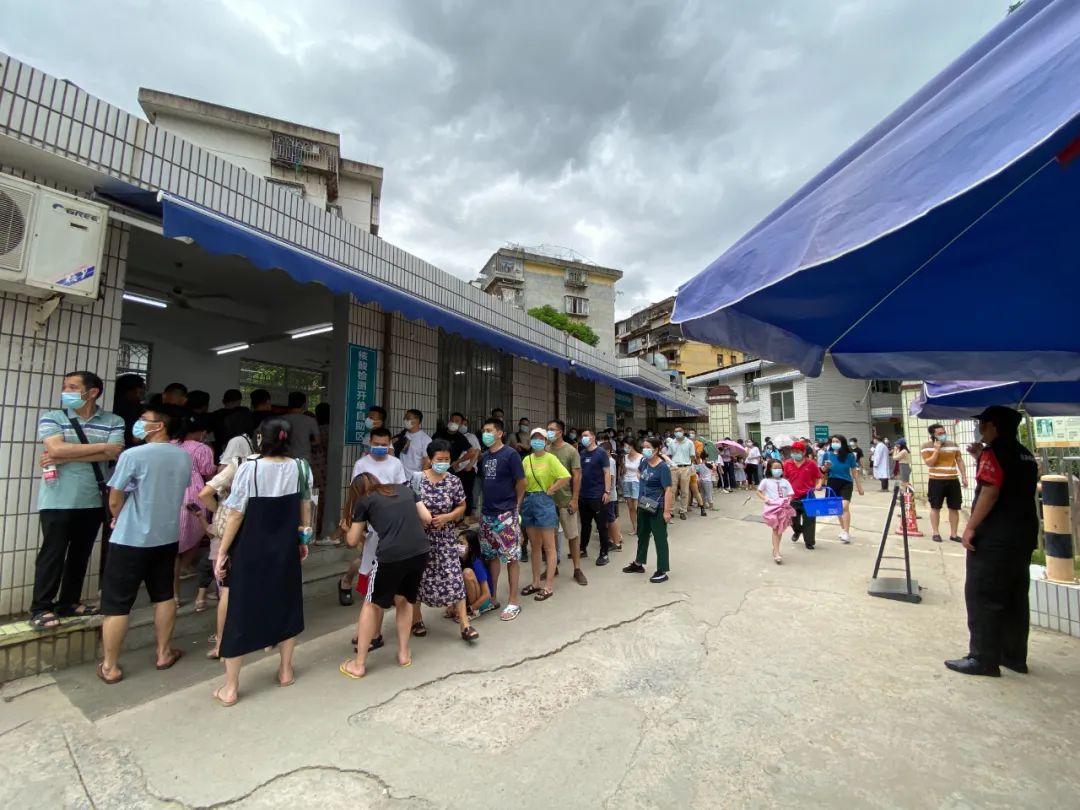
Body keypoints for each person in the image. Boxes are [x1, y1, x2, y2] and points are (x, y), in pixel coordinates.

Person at [212, 418, 313, 705]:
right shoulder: (300, 467)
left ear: (260, 440)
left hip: (250, 549)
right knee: (288, 603)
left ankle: (230, 688)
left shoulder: (250, 468)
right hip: (286, 547)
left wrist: (222, 551)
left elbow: (236, 512)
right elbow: (305, 503)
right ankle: (285, 670)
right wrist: (303, 539)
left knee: (240, 610)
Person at [97, 405, 192, 684]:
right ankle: (163, 653)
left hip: (130, 538)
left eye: (143, 420)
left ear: (159, 426)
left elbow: (115, 499)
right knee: (163, 596)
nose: (138, 423)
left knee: (117, 603)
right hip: (166, 536)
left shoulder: (133, 455)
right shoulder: (184, 457)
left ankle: (110, 666)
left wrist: (117, 518)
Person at [945, 406, 1038, 677]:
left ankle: (984, 658)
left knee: (983, 594)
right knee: (1015, 595)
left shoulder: (994, 451)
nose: (980, 429)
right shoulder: (1025, 454)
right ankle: (1014, 655)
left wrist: (970, 527)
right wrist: (979, 458)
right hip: (1022, 533)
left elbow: (991, 491)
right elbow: (1009, 483)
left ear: (994, 426)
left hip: (996, 535)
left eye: (983, 425)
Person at [31, 371, 125, 629]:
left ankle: (69, 603)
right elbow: (56, 448)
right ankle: (41, 607)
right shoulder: (53, 417)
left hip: (93, 498)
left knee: (81, 554)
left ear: (92, 392)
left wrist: (63, 456)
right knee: (53, 553)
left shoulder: (113, 420)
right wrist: (98, 449)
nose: (66, 391)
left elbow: (115, 451)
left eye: (72, 387)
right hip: (56, 498)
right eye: (65, 386)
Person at [341, 472, 432, 679]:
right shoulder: (406, 490)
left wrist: (348, 528)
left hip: (391, 556)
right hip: (420, 551)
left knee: (370, 604)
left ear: (356, 491)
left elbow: (353, 540)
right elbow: (426, 518)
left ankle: (359, 664)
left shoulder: (364, 500)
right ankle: (403, 654)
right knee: (405, 600)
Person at [413, 440, 475, 641]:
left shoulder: (453, 481)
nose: (443, 463)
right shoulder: (416, 480)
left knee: (454, 577)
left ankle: (465, 624)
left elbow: (461, 506)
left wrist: (448, 517)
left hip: (446, 537)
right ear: (430, 459)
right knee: (418, 578)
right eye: (439, 459)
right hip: (421, 539)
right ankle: (416, 619)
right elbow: (408, 505)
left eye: (447, 459)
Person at [339, 428, 408, 609]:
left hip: (389, 517)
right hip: (366, 516)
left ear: (389, 444)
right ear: (370, 442)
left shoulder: (395, 464)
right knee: (366, 557)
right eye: (376, 444)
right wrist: (353, 518)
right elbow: (355, 492)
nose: (380, 447)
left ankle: (381, 593)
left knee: (381, 556)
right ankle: (348, 580)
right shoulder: (361, 464)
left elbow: (401, 491)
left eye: (384, 445)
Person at [478, 418, 526, 621]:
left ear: (500, 433)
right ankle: (493, 598)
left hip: (506, 514)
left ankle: (513, 601)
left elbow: (521, 482)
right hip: (487, 514)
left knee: (511, 558)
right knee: (491, 557)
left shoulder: (511, 454)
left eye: (489, 430)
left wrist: (515, 506)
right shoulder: (484, 457)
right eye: (483, 431)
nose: (485, 434)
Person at [519, 428, 570, 602]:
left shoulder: (551, 458)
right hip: (529, 501)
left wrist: (552, 489)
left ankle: (548, 586)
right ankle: (535, 582)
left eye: (540, 438)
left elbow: (565, 476)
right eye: (534, 438)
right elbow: (521, 481)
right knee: (534, 546)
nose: (537, 441)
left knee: (549, 547)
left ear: (546, 441)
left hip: (544, 500)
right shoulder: (526, 459)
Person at [172, 415, 216, 603]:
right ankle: (184, 565)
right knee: (198, 530)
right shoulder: (202, 448)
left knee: (172, 540)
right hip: (193, 493)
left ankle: (173, 593)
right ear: (198, 431)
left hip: (170, 492)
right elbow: (208, 471)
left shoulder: (169, 444)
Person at [622, 438, 673, 583]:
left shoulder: (663, 467)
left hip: (658, 506)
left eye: (648, 447)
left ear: (656, 450)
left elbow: (668, 490)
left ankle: (662, 570)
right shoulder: (644, 462)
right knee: (642, 534)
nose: (644, 450)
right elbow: (639, 473)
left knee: (660, 538)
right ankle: (638, 563)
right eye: (643, 447)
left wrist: (667, 511)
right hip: (644, 503)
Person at [547, 419, 587, 586]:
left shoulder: (571, 451)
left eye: (552, 429)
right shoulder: (546, 450)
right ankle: (552, 566)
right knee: (550, 537)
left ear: (560, 432)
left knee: (572, 535)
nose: (548, 432)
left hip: (566, 500)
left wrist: (575, 499)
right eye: (547, 429)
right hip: (549, 502)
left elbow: (577, 476)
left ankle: (577, 569)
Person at [921, 423, 969, 544]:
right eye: (940, 433)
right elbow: (929, 463)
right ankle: (936, 533)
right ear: (933, 435)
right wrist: (936, 450)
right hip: (936, 480)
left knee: (954, 507)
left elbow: (959, 460)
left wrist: (964, 476)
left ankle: (954, 534)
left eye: (944, 432)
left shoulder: (953, 445)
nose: (943, 435)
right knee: (935, 507)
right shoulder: (926, 446)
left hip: (952, 479)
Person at [577, 429, 613, 565]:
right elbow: (580, 473)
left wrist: (607, 492)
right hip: (584, 495)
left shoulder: (601, 453)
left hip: (598, 495)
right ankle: (582, 549)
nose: (583, 438)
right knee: (585, 525)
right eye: (582, 436)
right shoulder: (582, 453)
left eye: (586, 435)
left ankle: (604, 553)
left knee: (601, 526)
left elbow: (606, 473)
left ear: (592, 437)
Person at [820, 434, 863, 543]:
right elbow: (823, 471)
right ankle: (844, 530)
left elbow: (854, 471)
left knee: (844, 506)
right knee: (838, 508)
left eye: (837, 441)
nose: (834, 443)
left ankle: (846, 532)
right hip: (832, 482)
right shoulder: (827, 454)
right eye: (833, 441)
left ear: (842, 443)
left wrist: (859, 487)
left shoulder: (850, 456)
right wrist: (825, 468)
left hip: (846, 483)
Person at [434, 412, 477, 515]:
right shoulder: (440, 433)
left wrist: (458, 462)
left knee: (449, 494)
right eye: (452, 420)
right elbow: (430, 448)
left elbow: (472, 452)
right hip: (435, 467)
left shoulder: (460, 437)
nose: (453, 423)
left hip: (449, 469)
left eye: (456, 421)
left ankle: (450, 517)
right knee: (435, 493)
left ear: (461, 424)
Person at [784, 441, 823, 550]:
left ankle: (809, 542)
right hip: (792, 497)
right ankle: (798, 531)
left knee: (809, 520)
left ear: (804, 452)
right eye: (793, 452)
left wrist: (819, 484)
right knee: (792, 519)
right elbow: (784, 479)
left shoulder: (811, 464)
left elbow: (819, 476)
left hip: (808, 496)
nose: (795, 454)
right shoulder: (787, 464)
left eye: (797, 452)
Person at [757, 458, 796, 564]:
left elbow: (790, 494)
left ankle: (775, 548)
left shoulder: (785, 482)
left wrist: (788, 500)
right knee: (775, 529)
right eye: (775, 468)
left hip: (783, 508)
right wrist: (765, 498)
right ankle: (777, 552)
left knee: (780, 529)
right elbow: (759, 492)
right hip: (771, 508)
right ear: (769, 469)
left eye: (779, 468)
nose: (777, 470)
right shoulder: (766, 481)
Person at [664, 426, 696, 519]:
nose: (677, 432)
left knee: (684, 490)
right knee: (672, 490)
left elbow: (692, 456)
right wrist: (671, 464)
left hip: (685, 467)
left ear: (683, 432)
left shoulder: (689, 443)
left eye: (679, 431)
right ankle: (671, 510)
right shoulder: (672, 443)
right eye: (675, 431)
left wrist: (690, 465)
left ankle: (683, 510)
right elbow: (669, 454)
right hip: (674, 467)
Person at [460, 530, 495, 616]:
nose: (458, 546)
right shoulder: (457, 560)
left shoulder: (476, 562)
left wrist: (469, 609)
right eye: (456, 542)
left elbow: (487, 594)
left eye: (461, 543)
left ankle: (474, 611)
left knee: (467, 573)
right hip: (470, 595)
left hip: (483, 601)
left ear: (470, 546)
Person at [281, 392, 320, 464]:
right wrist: (305, 443)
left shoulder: (281, 419)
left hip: (286, 459)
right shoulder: (310, 420)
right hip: (304, 460)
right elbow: (317, 441)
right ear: (304, 405)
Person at [113, 373, 146, 447]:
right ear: (135, 390)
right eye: (143, 388)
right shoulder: (134, 408)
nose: (144, 392)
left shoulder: (111, 404)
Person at [396, 409, 431, 476]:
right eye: (405, 418)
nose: (405, 420)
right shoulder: (402, 435)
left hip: (413, 478)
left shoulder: (425, 439)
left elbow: (427, 462)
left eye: (408, 418)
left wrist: (420, 478)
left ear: (417, 420)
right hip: (399, 477)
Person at [622, 440, 643, 533]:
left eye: (626, 446)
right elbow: (624, 470)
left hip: (637, 482)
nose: (625, 448)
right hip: (627, 482)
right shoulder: (625, 457)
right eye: (624, 446)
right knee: (631, 507)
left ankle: (643, 528)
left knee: (639, 507)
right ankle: (635, 528)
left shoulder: (641, 457)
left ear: (632, 446)